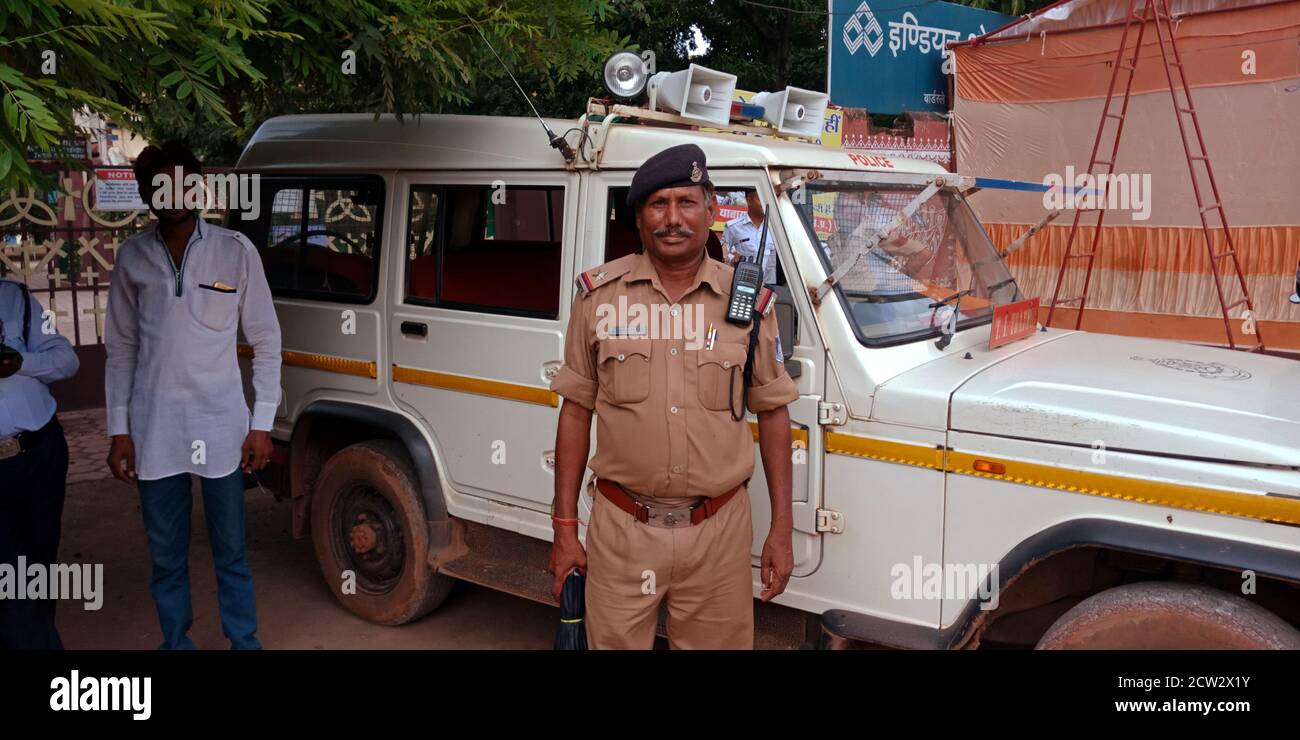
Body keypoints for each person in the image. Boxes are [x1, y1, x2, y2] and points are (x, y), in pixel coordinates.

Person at [547, 143, 799, 649]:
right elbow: (576, 413)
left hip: (719, 532)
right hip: (622, 529)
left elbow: (773, 413)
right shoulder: (599, 298)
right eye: (657, 204)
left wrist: (782, 529)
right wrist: (564, 528)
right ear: (639, 217)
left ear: (710, 209)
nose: (672, 218)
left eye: (686, 202)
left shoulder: (747, 302)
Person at [104, 141, 282, 650]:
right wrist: (120, 431)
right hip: (154, 428)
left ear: (197, 186)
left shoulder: (235, 251)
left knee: (231, 551)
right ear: (145, 193)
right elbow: (120, 349)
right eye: (158, 184)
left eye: (182, 181)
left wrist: (262, 423)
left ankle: (243, 643)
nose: (172, 193)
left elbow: (267, 341)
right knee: (165, 556)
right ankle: (175, 644)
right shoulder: (133, 258)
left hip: (222, 427)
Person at [0, 279, 79, 649]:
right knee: (12, 573)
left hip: (38, 454)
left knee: (39, 563)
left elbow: (66, 360)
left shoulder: (15, 298)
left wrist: (21, 363)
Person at [721, 189, 778, 284]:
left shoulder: (776, 229)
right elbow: (722, 254)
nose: (765, 203)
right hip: (741, 284)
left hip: (767, 287)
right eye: (760, 199)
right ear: (749, 200)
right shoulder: (733, 227)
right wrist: (733, 259)